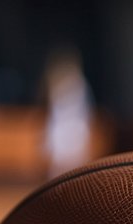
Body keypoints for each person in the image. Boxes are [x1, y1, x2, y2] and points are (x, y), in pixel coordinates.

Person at [43, 49, 93, 178]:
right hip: (61, 133)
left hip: (74, 133)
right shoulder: (55, 81)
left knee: (75, 175)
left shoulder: (79, 83)